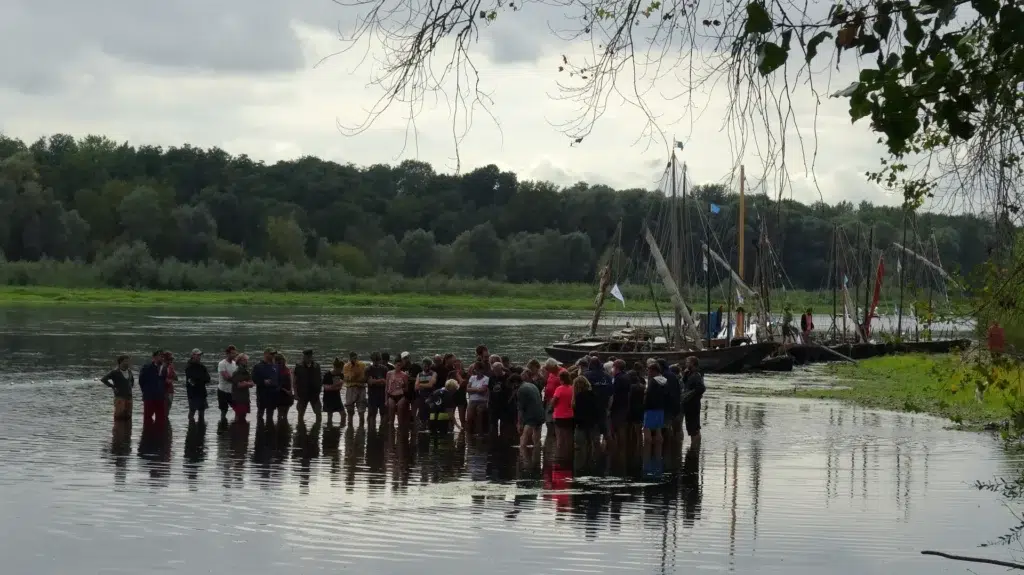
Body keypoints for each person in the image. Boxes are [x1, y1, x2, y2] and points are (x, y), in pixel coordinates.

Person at [583, 357, 612, 443]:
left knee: (592, 435)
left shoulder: (586, 375)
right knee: (606, 433)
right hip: (603, 408)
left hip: (590, 409)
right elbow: (611, 394)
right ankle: (612, 453)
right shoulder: (607, 376)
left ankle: (594, 454)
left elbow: (581, 392)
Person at [643, 362, 668, 456]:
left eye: (648, 370)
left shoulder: (653, 381)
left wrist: (644, 406)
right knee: (658, 430)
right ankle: (658, 454)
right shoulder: (665, 380)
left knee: (647, 429)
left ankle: (647, 452)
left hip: (650, 408)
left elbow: (648, 395)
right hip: (661, 408)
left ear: (653, 371)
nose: (647, 372)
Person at [100, 355, 134, 422]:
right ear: (120, 362)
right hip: (119, 397)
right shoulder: (115, 372)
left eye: (128, 361)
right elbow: (103, 379)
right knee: (119, 417)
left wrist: (130, 388)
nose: (127, 363)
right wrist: (112, 386)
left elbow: (132, 380)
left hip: (129, 397)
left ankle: (128, 432)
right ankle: (118, 432)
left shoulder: (129, 371)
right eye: (126, 361)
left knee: (128, 418)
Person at [292, 349, 322, 424]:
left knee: (318, 413)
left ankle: (316, 432)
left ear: (311, 357)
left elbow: (320, 380)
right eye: (306, 357)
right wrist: (295, 394)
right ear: (304, 357)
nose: (307, 358)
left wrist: (319, 391)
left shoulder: (317, 366)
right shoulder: (298, 367)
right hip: (302, 394)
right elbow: (294, 382)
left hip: (314, 394)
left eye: (309, 356)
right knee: (300, 414)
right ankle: (301, 431)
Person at [516, 373, 546, 450]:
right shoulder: (532, 385)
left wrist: (519, 423)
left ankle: (523, 457)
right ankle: (537, 456)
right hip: (540, 414)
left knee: (524, 437)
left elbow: (520, 409)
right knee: (536, 439)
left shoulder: (521, 389)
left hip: (531, 417)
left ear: (515, 383)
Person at [572, 376, 600, 456]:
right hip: (592, 422)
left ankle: (584, 463)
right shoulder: (593, 394)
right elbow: (596, 409)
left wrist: (575, 423)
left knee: (580, 445)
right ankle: (591, 460)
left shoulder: (578, 397)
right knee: (591, 443)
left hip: (581, 423)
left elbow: (578, 412)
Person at [681, 356, 706, 442]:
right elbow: (685, 383)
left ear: (692, 363)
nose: (686, 364)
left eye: (687, 362)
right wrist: (685, 375)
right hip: (689, 405)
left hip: (693, 405)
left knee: (694, 428)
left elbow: (701, 388)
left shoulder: (696, 375)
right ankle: (694, 446)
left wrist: (691, 394)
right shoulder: (689, 374)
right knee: (691, 427)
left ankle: (695, 447)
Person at [252, 347, 280, 423]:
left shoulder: (276, 366)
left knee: (270, 415)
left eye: (274, 354)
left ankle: (270, 431)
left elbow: (278, 379)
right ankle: (260, 431)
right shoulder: (258, 366)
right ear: (265, 354)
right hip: (262, 394)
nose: (273, 355)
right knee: (260, 414)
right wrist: (263, 382)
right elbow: (254, 379)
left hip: (273, 394)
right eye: (271, 354)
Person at [138, 350, 167, 424]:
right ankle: (147, 434)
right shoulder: (147, 367)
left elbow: (164, 381)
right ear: (154, 357)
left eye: (163, 356)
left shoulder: (164, 368)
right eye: (160, 356)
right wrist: (145, 391)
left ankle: (159, 434)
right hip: (149, 396)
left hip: (160, 397)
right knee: (147, 417)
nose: (162, 358)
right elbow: (141, 381)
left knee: (161, 418)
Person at [608, 359, 631, 446]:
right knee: (622, 429)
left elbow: (613, 394)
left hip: (617, 407)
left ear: (616, 368)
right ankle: (623, 449)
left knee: (617, 429)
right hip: (625, 406)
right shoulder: (626, 376)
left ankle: (617, 448)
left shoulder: (617, 378)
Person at [551, 372, 575, 454]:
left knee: (560, 438)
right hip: (570, 415)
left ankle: (560, 457)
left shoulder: (559, 389)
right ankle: (569, 454)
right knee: (569, 437)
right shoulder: (572, 388)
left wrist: (551, 403)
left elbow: (554, 401)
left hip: (559, 416)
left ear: (561, 379)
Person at [184, 348, 210, 423]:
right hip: (192, 393)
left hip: (202, 392)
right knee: (192, 411)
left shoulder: (202, 366)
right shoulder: (188, 367)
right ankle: (191, 429)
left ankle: (201, 429)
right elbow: (191, 381)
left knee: (202, 412)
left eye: (200, 355)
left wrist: (199, 379)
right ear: (193, 355)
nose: (199, 357)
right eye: (197, 355)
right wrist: (200, 379)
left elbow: (208, 379)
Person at [488, 361, 513, 438]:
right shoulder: (492, 377)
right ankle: (493, 439)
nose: (496, 372)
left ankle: (503, 439)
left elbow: (511, 389)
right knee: (493, 424)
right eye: (494, 370)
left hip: (504, 405)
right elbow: (489, 389)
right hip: (493, 404)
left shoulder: (507, 377)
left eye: (497, 370)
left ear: (501, 369)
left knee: (504, 424)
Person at [343, 351, 368, 427]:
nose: (354, 359)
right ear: (350, 358)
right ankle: (350, 427)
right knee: (349, 409)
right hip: (351, 388)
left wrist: (355, 376)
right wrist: (353, 375)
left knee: (361, 410)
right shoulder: (346, 366)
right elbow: (347, 378)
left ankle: (361, 426)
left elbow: (364, 378)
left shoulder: (362, 365)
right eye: (353, 358)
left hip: (361, 388)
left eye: (355, 358)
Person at [466, 360, 490, 434]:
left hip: (482, 401)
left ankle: (480, 432)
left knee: (479, 417)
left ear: (482, 370)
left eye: (479, 370)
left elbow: (483, 390)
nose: (477, 371)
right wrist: (477, 389)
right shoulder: (472, 378)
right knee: (469, 418)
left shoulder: (486, 379)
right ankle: (469, 433)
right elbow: (467, 389)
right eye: (476, 370)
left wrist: (473, 390)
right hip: (472, 400)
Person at [385, 357, 409, 429]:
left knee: (400, 410)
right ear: (394, 365)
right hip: (391, 395)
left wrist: (400, 388)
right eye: (397, 365)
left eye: (400, 365)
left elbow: (407, 388)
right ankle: (391, 430)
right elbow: (386, 387)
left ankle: (400, 430)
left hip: (400, 395)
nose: (398, 367)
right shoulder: (389, 373)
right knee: (391, 410)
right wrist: (386, 400)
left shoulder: (404, 375)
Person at [366, 352, 389, 427]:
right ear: (372, 360)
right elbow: (370, 382)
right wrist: (381, 380)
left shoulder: (384, 369)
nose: (376, 362)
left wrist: (375, 381)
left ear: (380, 360)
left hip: (382, 395)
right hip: (372, 395)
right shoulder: (368, 369)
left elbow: (387, 382)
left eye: (377, 360)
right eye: (374, 360)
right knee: (372, 414)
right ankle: (372, 432)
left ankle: (382, 430)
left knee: (384, 414)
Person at [230, 354, 255, 422]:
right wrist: (247, 383)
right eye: (244, 360)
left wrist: (245, 383)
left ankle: (242, 431)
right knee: (239, 416)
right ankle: (237, 430)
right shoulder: (237, 372)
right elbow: (239, 385)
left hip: (245, 397)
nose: (246, 361)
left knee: (243, 416)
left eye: (247, 360)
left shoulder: (246, 371)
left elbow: (252, 384)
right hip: (238, 398)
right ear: (239, 361)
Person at [217, 346, 238, 421]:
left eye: (235, 353)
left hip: (232, 391)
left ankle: (235, 427)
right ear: (227, 354)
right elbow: (227, 378)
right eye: (232, 353)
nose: (234, 355)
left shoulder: (235, 363)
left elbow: (236, 376)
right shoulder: (222, 363)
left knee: (237, 409)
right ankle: (223, 427)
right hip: (223, 391)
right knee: (224, 411)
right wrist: (239, 381)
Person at [415, 358, 436, 431]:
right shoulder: (419, 374)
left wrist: (421, 385)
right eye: (423, 365)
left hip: (431, 396)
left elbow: (431, 385)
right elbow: (416, 387)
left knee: (431, 415)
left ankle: (430, 428)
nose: (425, 367)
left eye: (426, 366)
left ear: (430, 366)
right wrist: (424, 385)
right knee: (422, 415)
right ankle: (423, 428)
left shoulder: (433, 373)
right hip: (422, 397)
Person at [322, 358, 345, 424]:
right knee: (330, 415)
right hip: (328, 398)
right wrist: (336, 385)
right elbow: (326, 388)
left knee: (343, 414)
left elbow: (339, 388)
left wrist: (334, 386)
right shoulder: (327, 375)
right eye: (341, 369)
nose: (341, 370)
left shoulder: (341, 375)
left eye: (342, 369)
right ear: (335, 367)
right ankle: (329, 429)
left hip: (337, 397)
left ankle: (341, 428)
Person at [276, 353, 294, 422]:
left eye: (282, 360)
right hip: (280, 394)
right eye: (278, 361)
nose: (280, 362)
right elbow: (276, 383)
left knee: (285, 414)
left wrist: (291, 391)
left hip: (288, 394)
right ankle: (280, 428)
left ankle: (284, 428)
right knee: (280, 413)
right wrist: (286, 390)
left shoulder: (288, 369)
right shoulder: (276, 370)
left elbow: (291, 381)